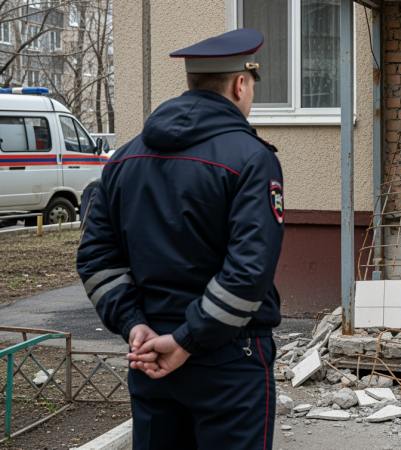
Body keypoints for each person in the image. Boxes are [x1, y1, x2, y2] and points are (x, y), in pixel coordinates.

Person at [77, 28, 284, 449]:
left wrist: (133, 324)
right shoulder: (252, 159)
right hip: (229, 356)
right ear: (240, 83)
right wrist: (188, 339)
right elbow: (248, 273)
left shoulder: (124, 157)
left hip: (150, 353)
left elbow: (97, 260)